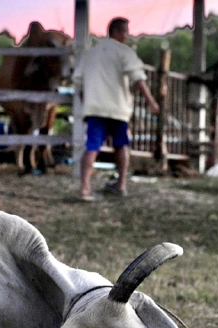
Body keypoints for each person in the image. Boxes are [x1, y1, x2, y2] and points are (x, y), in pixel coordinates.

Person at [73, 18, 159, 201]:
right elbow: (138, 78)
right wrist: (151, 102)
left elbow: (78, 81)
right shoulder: (125, 52)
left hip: (95, 108)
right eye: (126, 32)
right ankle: (121, 184)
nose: (127, 36)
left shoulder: (91, 53)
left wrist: (86, 100)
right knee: (121, 145)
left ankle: (85, 188)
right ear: (119, 32)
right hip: (118, 108)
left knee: (92, 146)